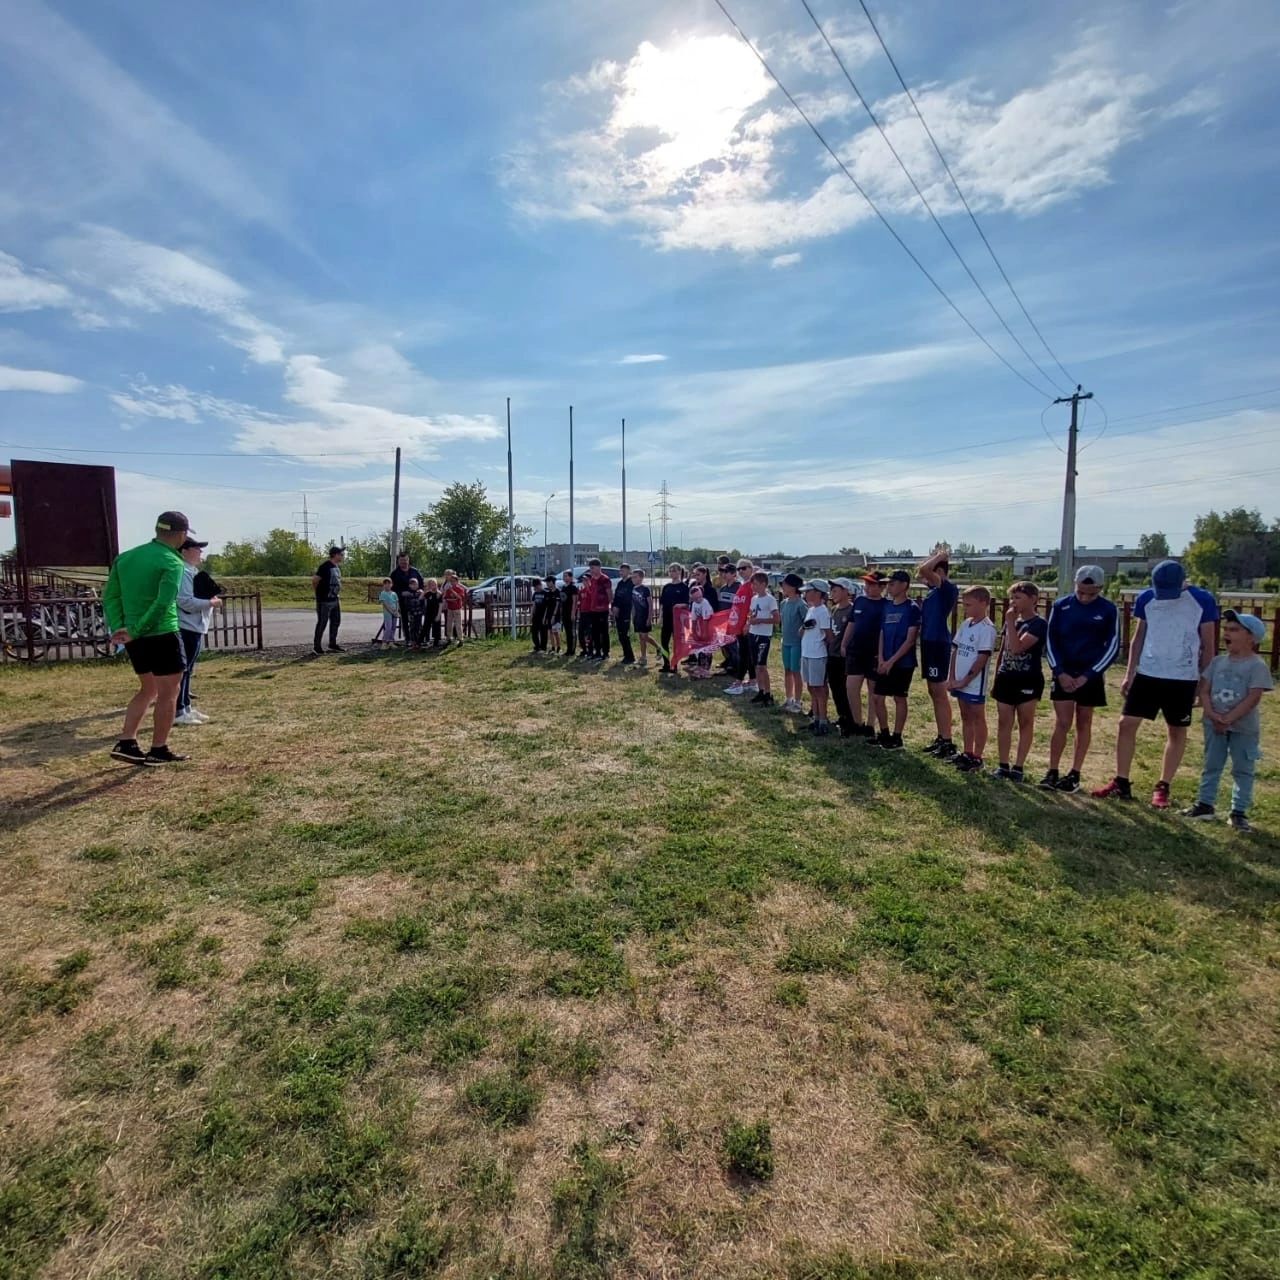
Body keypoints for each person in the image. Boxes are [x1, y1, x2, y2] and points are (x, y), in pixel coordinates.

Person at [1093, 559, 1218, 808]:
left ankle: (1163, 786)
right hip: (1148, 674)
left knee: (1176, 730)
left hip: (1183, 677)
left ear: (1183, 582)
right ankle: (1121, 781)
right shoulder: (1147, 599)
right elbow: (1138, 638)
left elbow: (1208, 646)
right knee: (1126, 724)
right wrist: (1130, 673)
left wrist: (1203, 682)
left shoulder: (1202, 600)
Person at [103, 510, 193, 766]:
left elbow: (110, 596)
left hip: (133, 636)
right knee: (168, 693)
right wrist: (138, 628)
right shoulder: (171, 561)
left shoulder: (126, 558)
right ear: (181, 534)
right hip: (162, 633)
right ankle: (158, 748)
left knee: (148, 689)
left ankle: (127, 741)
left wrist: (122, 628)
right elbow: (163, 602)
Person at [1182, 610, 1273, 831]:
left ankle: (1238, 812)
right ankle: (1205, 805)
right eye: (1226, 629)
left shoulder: (1257, 666)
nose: (1227, 633)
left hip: (1243, 728)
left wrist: (1229, 719)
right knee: (1211, 764)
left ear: (1252, 638)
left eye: (1234, 629)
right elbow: (1204, 690)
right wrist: (1213, 716)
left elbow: (1253, 697)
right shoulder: (1217, 662)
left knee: (1243, 769)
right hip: (1214, 724)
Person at [1039, 565, 1120, 793]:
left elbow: (1113, 646)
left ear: (1100, 588)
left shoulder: (1108, 609)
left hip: (1089, 675)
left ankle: (1074, 773)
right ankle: (1052, 771)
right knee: (1062, 722)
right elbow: (1051, 640)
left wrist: (1089, 675)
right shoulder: (1061, 605)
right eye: (1081, 591)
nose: (1084, 597)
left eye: (1091, 593)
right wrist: (1060, 672)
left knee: (1084, 721)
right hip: (1064, 672)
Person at [992, 581, 1048, 782]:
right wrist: (998, 672)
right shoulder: (1011, 621)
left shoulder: (1038, 624)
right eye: (1012, 598)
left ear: (1033, 599)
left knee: (1025, 722)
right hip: (1006, 677)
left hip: (1027, 679)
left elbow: (1017, 648)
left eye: (1018, 597)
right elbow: (1005, 650)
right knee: (1004, 721)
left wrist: (1009, 622)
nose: (1013, 602)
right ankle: (1003, 764)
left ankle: (1018, 766)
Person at [945, 586, 997, 773]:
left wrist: (965, 680)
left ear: (983, 603)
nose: (965, 608)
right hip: (958, 680)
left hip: (974, 683)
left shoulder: (987, 629)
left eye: (969, 605)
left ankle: (977, 756)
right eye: (964, 605)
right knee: (965, 715)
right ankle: (967, 752)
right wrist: (952, 677)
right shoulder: (966, 623)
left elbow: (982, 658)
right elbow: (956, 650)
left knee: (977, 717)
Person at [917, 546, 959, 758]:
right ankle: (942, 737)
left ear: (939, 572)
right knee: (933, 692)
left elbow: (924, 570)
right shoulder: (934, 592)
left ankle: (948, 741)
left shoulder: (947, 589)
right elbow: (922, 571)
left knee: (939, 693)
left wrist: (940, 556)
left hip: (937, 643)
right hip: (928, 643)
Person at [873, 570, 921, 751]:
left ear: (904, 585)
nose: (889, 587)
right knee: (877, 697)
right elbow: (882, 633)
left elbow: (910, 640)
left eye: (892, 584)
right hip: (885, 660)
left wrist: (892, 661)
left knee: (899, 698)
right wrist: (881, 659)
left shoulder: (912, 608)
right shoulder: (887, 607)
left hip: (903, 662)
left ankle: (897, 736)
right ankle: (884, 733)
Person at [174, 537, 220, 726]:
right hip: (186, 625)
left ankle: (186, 706)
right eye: (196, 548)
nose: (200, 552)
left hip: (195, 626)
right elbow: (184, 601)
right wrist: (211, 602)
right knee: (182, 670)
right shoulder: (183, 572)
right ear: (184, 551)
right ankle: (179, 710)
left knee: (189, 669)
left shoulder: (192, 572)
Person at [844, 571, 887, 740]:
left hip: (875, 653)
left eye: (872, 584)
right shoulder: (860, 601)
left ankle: (870, 725)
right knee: (851, 687)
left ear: (882, 587)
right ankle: (857, 722)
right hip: (856, 651)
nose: (867, 587)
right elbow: (851, 623)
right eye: (866, 584)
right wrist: (844, 643)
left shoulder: (886, 605)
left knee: (873, 690)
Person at [800, 580, 833, 734]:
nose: (805, 594)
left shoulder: (823, 611)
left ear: (818, 593)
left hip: (817, 655)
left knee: (819, 688)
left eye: (808, 591)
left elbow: (828, 635)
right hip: (807, 652)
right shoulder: (811, 609)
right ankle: (816, 717)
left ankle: (823, 720)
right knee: (811, 686)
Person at [825, 578, 856, 736]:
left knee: (845, 689)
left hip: (844, 656)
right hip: (832, 654)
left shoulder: (851, 610)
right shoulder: (834, 609)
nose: (832, 594)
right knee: (835, 687)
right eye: (832, 590)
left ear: (846, 591)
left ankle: (851, 720)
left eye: (836, 590)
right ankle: (842, 716)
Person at [746, 571, 779, 706]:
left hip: (764, 635)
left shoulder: (770, 599)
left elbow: (776, 619)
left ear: (764, 584)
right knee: (756, 665)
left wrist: (760, 620)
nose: (753, 587)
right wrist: (750, 621)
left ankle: (768, 693)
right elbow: (751, 613)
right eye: (752, 584)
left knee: (761, 665)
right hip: (753, 633)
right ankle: (760, 690)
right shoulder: (754, 599)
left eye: (756, 584)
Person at [779, 572, 806, 713]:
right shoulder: (783, 603)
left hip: (797, 643)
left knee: (796, 672)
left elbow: (807, 623)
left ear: (794, 587)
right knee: (787, 670)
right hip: (786, 642)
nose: (782, 586)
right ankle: (788, 698)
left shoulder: (801, 604)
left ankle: (797, 701)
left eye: (785, 584)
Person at [311, 546, 344, 654]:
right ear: (334, 555)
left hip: (335, 599)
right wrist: (318, 594)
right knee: (322, 623)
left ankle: (332, 644)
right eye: (340, 554)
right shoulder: (325, 566)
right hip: (324, 600)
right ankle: (317, 646)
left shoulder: (337, 567)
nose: (342, 556)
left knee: (336, 621)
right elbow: (315, 580)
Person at [658, 563, 689, 674]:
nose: (672, 573)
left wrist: (679, 605)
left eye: (675, 571)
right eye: (670, 571)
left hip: (678, 620)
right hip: (666, 618)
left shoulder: (684, 587)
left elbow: (687, 604)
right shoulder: (667, 587)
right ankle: (666, 664)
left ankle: (674, 664)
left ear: (679, 572)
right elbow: (662, 604)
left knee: (676, 643)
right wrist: (660, 617)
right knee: (664, 642)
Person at [580, 559, 613, 662]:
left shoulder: (605, 579)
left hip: (602, 609)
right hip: (593, 610)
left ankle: (605, 652)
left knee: (604, 632)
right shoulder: (593, 579)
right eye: (590, 568)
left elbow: (609, 593)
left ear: (599, 567)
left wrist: (610, 606)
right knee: (595, 632)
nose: (591, 570)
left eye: (593, 568)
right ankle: (597, 652)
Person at [389, 552, 424, 641]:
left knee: (417, 618)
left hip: (415, 600)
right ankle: (408, 638)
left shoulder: (415, 571)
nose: (403, 562)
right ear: (398, 561)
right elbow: (391, 588)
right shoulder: (394, 574)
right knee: (405, 619)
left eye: (405, 560)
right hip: (402, 600)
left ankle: (417, 638)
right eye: (401, 560)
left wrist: (420, 590)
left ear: (408, 560)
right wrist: (401, 593)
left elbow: (421, 583)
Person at [689, 582, 714, 676]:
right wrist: (693, 631)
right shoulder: (694, 604)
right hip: (700, 627)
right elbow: (694, 619)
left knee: (707, 649)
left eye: (699, 597)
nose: (698, 600)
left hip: (708, 627)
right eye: (695, 598)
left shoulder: (705, 603)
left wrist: (704, 633)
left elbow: (705, 619)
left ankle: (706, 669)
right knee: (700, 648)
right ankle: (700, 666)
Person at [612, 563, 635, 665]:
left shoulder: (631, 583)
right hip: (618, 612)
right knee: (620, 634)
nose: (621, 573)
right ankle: (626, 654)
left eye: (624, 571)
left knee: (625, 635)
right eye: (620, 571)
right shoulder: (620, 583)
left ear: (629, 571)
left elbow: (629, 598)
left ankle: (630, 657)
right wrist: (614, 607)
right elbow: (616, 597)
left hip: (626, 611)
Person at [630, 569, 653, 668]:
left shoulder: (645, 589)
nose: (633, 579)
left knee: (645, 636)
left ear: (641, 577)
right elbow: (634, 605)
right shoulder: (633, 589)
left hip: (645, 616)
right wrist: (633, 616)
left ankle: (656, 649)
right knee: (641, 638)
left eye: (635, 577)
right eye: (632, 577)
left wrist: (649, 618)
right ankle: (643, 656)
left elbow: (650, 604)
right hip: (637, 617)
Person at [442, 570, 467, 645]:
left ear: (457, 581)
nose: (452, 583)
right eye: (451, 581)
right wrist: (446, 593)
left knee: (458, 624)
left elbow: (460, 597)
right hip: (450, 608)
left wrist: (453, 591)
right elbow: (445, 597)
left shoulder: (460, 589)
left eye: (454, 581)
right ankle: (448, 638)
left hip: (457, 608)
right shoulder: (448, 589)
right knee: (449, 624)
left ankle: (460, 639)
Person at [559, 569, 579, 657]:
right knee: (567, 632)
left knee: (572, 632)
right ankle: (568, 649)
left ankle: (572, 650)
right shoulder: (563, 587)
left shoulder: (573, 588)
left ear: (571, 577)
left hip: (571, 612)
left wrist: (573, 613)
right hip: (564, 612)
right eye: (564, 576)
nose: (565, 578)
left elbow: (575, 601)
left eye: (566, 576)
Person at [530, 577, 552, 653]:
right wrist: (532, 614)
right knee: (534, 632)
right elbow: (534, 604)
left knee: (543, 632)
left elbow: (547, 607)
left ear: (540, 585)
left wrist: (545, 617)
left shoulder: (545, 593)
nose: (535, 588)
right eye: (534, 587)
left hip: (543, 616)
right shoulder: (535, 594)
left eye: (536, 586)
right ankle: (537, 646)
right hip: (536, 616)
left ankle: (543, 647)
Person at [376, 578, 399, 646]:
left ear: (391, 584)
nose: (387, 585)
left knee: (393, 627)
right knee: (388, 627)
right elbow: (385, 604)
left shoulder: (394, 593)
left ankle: (391, 641)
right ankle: (384, 642)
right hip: (387, 613)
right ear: (383, 585)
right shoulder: (383, 593)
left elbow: (397, 602)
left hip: (394, 612)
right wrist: (391, 611)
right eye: (385, 584)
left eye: (389, 583)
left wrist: (396, 611)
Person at [422, 578, 443, 647]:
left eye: (434, 584)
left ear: (436, 585)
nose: (432, 586)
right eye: (430, 585)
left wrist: (438, 615)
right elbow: (421, 599)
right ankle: (420, 642)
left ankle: (436, 643)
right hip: (428, 614)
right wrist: (424, 592)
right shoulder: (428, 594)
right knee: (425, 628)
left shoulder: (439, 594)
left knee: (436, 628)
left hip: (436, 614)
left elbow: (440, 606)